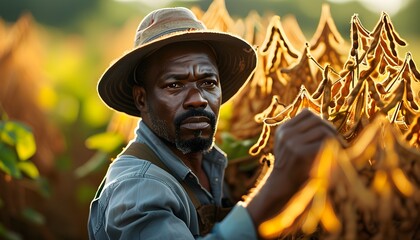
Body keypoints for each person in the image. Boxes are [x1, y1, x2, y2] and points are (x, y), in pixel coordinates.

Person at [88, 7, 339, 239]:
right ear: (142, 99)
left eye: (208, 83)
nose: (198, 100)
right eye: (175, 85)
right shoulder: (138, 188)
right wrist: (279, 181)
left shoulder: (211, 164)